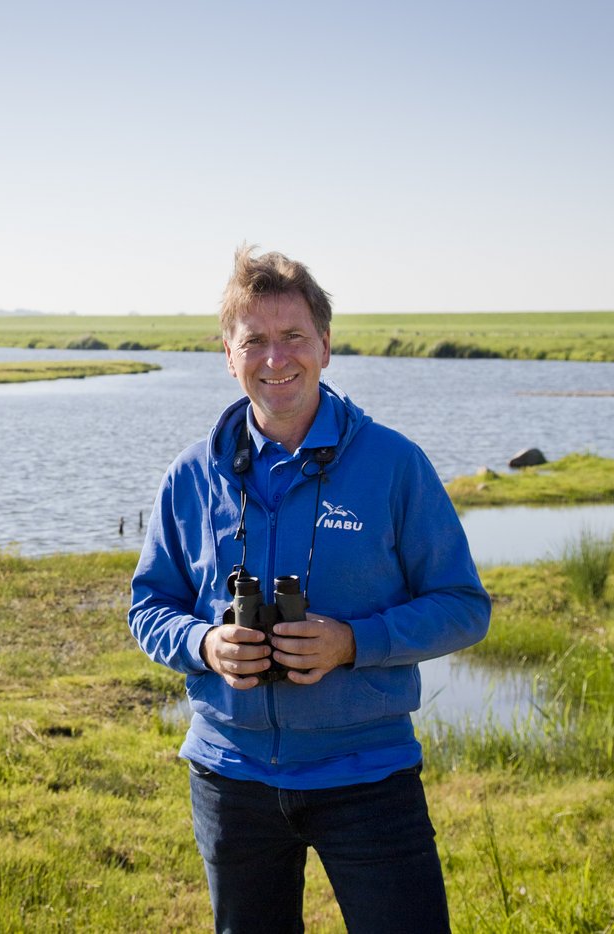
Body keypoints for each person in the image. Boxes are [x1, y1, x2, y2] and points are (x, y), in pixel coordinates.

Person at [129, 245, 491, 932]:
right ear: (228, 355)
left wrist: (353, 642)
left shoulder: (393, 465)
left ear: (324, 344)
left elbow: (464, 608)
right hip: (228, 778)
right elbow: (148, 606)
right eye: (254, 341)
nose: (276, 359)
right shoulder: (190, 476)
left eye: (293, 337)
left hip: (369, 776)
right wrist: (204, 644)